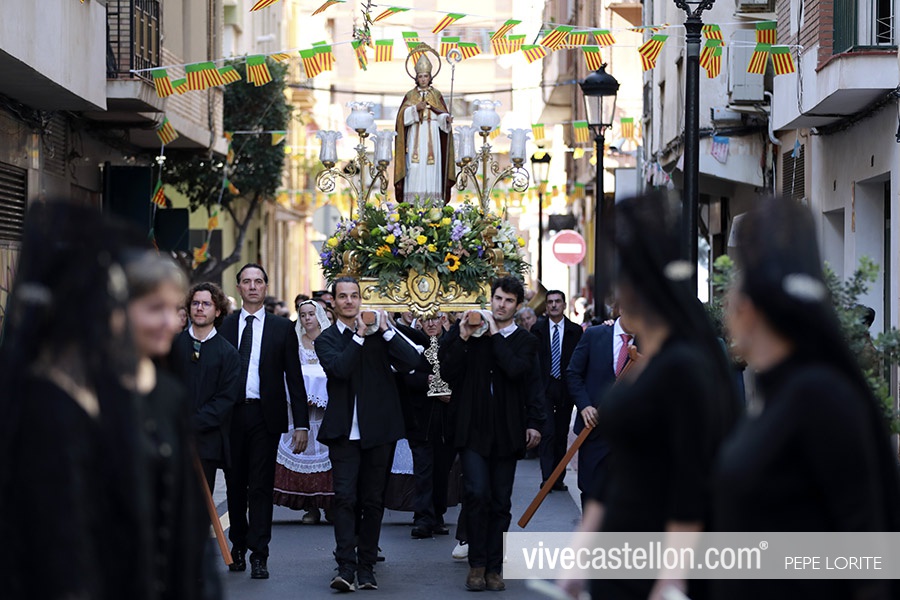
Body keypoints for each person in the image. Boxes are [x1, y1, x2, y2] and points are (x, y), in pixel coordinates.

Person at [713, 198, 900, 600]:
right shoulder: (774, 391)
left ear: (752, 305)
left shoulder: (819, 396)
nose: (725, 304)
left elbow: (865, 553)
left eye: (735, 287)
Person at [562, 195, 738, 600]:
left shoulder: (684, 366)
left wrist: (671, 578)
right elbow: (620, 470)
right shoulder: (650, 359)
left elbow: (692, 479)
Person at [439, 276, 545, 592]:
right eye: (498, 298)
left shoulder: (525, 341)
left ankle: (495, 568)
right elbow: (447, 371)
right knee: (476, 493)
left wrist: (535, 422)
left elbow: (521, 374)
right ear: (491, 299)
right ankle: (477, 565)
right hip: (472, 429)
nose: (501, 305)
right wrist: (461, 336)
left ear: (518, 305)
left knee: (500, 501)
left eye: (509, 300)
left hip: (508, 431)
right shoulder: (471, 335)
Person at [315, 277, 420, 592]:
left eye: (354, 296)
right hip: (343, 434)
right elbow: (339, 369)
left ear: (361, 299)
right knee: (345, 498)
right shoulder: (327, 339)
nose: (349, 301)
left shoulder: (381, 335)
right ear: (333, 302)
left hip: (379, 432)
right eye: (343, 296)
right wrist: (360, 336)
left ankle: (366, 566)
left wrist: (386, 330)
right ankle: (345, 566)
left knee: (373, 500)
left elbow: (412, 361)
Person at [220, 263, 309, 580]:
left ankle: (260, 554)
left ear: (266, 287)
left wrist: (302, 424)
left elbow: (294, 378)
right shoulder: (225, 326)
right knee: (235, 485)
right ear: (238, 288)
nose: (253, 286)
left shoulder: (281, 328)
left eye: (258, 281)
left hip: (264, 416)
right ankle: (237, 547)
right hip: (230, 416)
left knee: (260, 486)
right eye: (247, 281)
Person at [169, 282, 241, 494]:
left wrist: (192, 423)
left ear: (218, 311)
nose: (199, 308)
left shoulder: (228, 353)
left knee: (199, 502)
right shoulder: (171, 346)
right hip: (171, 437)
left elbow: (225, 399)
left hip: (206, 442)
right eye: (195, 303)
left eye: (206, 304)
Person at [565, 302, 634, 506]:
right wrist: (584, 405)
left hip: (630, 436)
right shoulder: (594, 335)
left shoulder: (648, 343)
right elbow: (573, 373)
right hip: (593, 430)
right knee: (592, 493)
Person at [395, 313, 457, 539]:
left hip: (447, 420)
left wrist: (450, 393)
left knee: (442, 471)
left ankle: (437, 515)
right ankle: (422, 518)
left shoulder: (453, 342)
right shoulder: (412, 343)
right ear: (419, 322)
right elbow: (403, 375)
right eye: (426, 319)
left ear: (443, 319)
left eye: (435, 319)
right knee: (423, 470)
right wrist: (427, 382)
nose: (431, 324)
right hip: (420, 419)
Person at [273, 300, 334, 523]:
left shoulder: (330, 340)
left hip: (326, 413)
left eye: (311, 314)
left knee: (328, 457)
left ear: (319, 316)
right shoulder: (295, 342)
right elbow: (287, 374)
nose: (307, 318)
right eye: (303, 314)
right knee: (303, 455)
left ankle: (331, 506)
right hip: (299, 411)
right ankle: (310, 507)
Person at [531, 290, 583, 491]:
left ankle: (558, 478)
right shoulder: (537, 329)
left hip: (565, 388)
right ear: (546, 306)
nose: (553, 305)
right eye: (550, 302)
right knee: (548, 432)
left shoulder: (575, 331)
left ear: (564, 305)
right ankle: (547, 478)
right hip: (544, 387)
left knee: (561, 434)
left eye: (557, 302)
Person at [394, 49, 456, 205]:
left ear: (430, 77)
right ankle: (413, 204)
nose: (423, 79)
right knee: (414, 168)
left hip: (433, 138)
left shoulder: (436, 95)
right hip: (415, 135)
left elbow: (440, 115)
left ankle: (433, 204)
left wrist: (446, 119)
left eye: (425, 76)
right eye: (420, 76)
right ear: (416, 78)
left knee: (431, 169)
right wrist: (415, 109)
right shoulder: (410, 95)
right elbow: (401, 118)